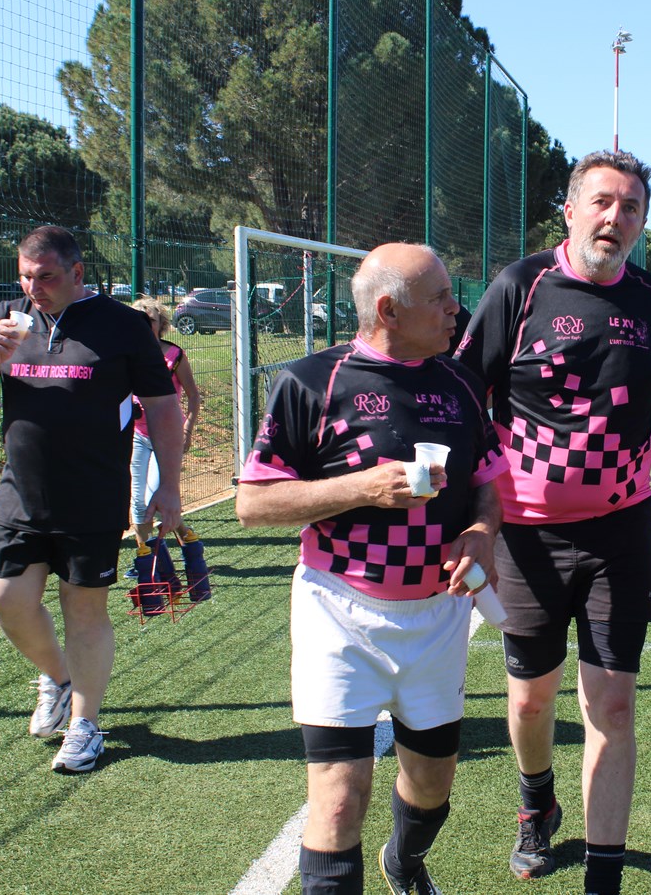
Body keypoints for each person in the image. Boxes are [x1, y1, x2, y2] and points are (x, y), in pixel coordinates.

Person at [236, 243, 508, 895]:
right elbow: (254, 503)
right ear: (388, 310)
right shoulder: (311, 382)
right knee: (337, 798)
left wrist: (481, 533)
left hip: (438, 616)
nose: (456, 309)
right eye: (440, 298)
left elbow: (489, 483)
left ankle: (404, 861)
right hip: (338, 611)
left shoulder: (461, 383)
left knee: (432, 785)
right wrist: (363, 488)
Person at [456, 149, 651, 895]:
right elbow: (463, 398)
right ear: (570, 210)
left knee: (612, 704)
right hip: (525, 535)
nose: (614, 217)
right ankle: (537, 803)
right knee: (530, 698)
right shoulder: (519, 286)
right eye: (601, 202)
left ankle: (603, 876)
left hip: (622, 532)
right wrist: (472, 519)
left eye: (630, 207)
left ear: (643, 223)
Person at [0, 225, 184, 773]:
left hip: (92, 496)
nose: (34, 288)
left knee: (84, 610)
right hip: (20, 494)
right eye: (26, 277)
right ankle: (58, 677)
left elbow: (162, 407)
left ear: (77, 272)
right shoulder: (6, 318)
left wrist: (169, 486)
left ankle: (84, 725)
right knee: (5, 599)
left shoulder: (122, 325)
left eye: (46, 277)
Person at [125, 297, 209, 597]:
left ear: (161, 324)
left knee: (155, 497)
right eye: (135, 319)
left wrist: (187, 429)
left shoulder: (174, 355)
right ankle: (147, 560)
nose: (141, 324)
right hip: (136, 435)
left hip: (166, 437)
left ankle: (187, 540)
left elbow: (194, 396)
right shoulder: (125, 354)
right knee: (139, 503)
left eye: (148, 319)